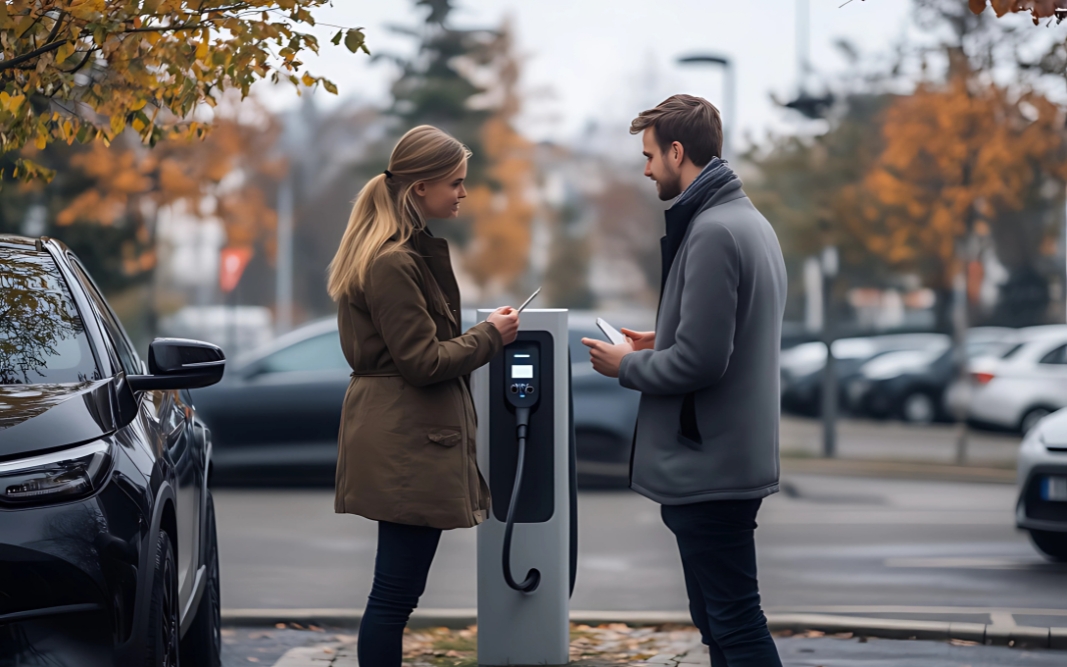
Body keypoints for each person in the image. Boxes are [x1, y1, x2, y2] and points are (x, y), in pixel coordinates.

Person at [582, 95, 786, 666]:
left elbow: (701, 363)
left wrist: (626, 365)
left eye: (649, 156)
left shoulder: (714, 231)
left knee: (735, 623)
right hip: (727, 459)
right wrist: (659, 341)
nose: (645, 169)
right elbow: (726, 339)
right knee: (722, 625)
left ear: (678, 152)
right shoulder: (747, 222)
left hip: (710, 467)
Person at [327, 125, 519, 667]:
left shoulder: (400, 253)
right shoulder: (392, 262)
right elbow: (423, 361)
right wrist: (491, 337)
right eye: (455, 183)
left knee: (395, 594)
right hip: (405, 441)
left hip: (404, 435)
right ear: (419, 189)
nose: (462, 193)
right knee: (392, 597)